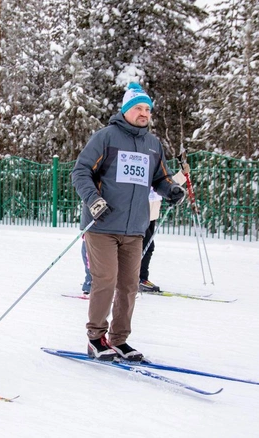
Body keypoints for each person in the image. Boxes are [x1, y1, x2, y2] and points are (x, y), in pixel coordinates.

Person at [71, 82, 186, 362]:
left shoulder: (152, 144)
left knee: (128, 285)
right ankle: (95, 337)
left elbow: (160, 178)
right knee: (106, 281)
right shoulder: (106, 137)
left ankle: (119, 339)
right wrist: (93, 200)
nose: (144, 113)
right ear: (125, 110)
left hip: (135, 227)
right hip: (102, 224)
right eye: (138, 108)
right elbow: (81, 172)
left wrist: (170, 189)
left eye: (148, 109)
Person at [139, 163, 189, 292]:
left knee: (147, 247)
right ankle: (138, 278)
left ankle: (140, 278)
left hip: (152, 215)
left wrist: (182, 174)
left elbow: (168, 183)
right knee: (145, 247)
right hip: (139, 214)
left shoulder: (157, 168)